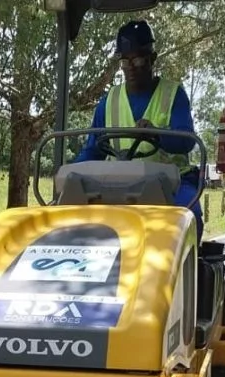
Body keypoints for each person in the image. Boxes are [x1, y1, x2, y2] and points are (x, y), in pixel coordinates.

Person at [74, 20, 204, 242]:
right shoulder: (109, 101)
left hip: (172, 182)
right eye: (125, 61)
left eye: (138, 59)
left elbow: (186, 141)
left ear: (152, 59)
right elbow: (93, 149)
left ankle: (191, 269)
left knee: (190, 214)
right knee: (68, 209)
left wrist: (157, 135)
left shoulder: (174, 95)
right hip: (116, 183)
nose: (131, 66)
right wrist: (69, 173)